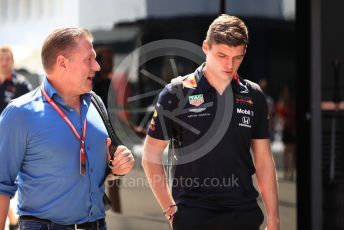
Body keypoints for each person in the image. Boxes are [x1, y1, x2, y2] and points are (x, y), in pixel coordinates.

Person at [142, 14, 279, 230]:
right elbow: (151, 155)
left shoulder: (253, 94)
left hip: (243, 214)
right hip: (193, 216)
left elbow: (263, 159)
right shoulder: (176, 93)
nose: (229, 64)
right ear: (205, 47)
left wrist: (274, 218)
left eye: (237, 57)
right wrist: (170, 209)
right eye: (222, 55)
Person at [0, 27, 135, 230]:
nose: (97, 66)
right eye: (89, 59)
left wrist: (117, 166)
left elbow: (101, 167)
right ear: (62, 62)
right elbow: (1, 187)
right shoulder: (20, 113)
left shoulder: (96, 103)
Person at [0, 45, 33, 230]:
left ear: (12, 61)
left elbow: (32, 110)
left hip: (15, 141)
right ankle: (12, 221)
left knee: (12, 182)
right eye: (1, 59)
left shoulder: (21, 84)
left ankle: (14, 220)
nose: (4, 62)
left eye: (7, 59)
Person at [275, 86, 296, 181]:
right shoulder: (283, 104)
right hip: (286, 130)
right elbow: (279, 113)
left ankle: (291, 172)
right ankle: (286, 172)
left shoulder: (292, 105)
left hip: (292, 130)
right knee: (287, 152)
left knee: (292, 152)